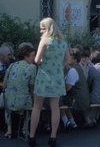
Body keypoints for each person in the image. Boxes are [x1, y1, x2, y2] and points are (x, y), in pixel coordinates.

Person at [29, 17, 70, 147]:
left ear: (49, 28)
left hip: (44, 76)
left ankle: (32, 137)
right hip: (57, 78)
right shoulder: (63, 42)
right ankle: (53, 137)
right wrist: (59, 66)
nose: (41, 31)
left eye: (42, 28)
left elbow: (36, 60)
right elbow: (68, 61)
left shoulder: (45, 41)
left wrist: (44, 64)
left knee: (37, 106)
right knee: (55, 107)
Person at [3, 45, 36, 139]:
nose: (34, 58)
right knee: (29, 105)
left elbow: (4, 84)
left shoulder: (12, 65)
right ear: (26, 56)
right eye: (32, 55)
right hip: (23, 102)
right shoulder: (32, 67)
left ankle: (9, 130)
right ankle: (24, 130)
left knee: (9, 104)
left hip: (9, 101)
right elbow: (31, 87)